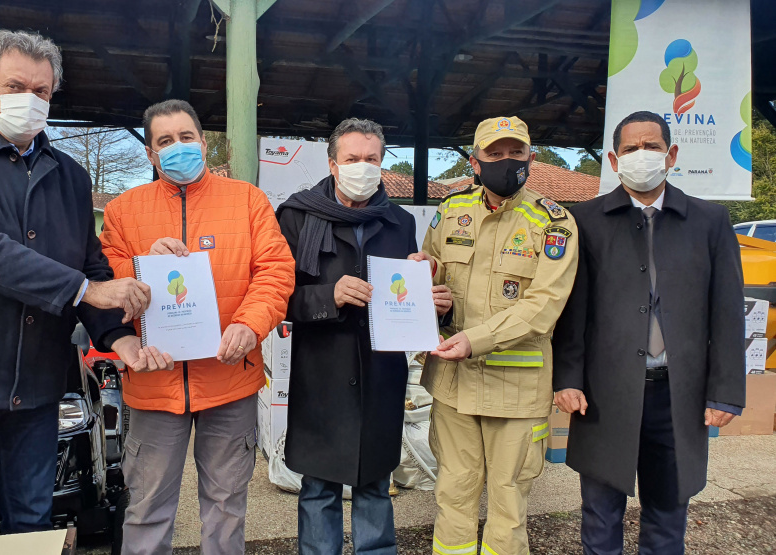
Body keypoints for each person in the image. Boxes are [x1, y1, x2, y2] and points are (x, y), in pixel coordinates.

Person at [0, 29, 155, 541]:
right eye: (16, 85)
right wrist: (86, 290)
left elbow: (92, 264)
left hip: (37, 387)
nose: (29, 100)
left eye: (41, 92)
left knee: (33, 528)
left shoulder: (70, 176)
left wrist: (118, 335)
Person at [100, 99, 295, 555]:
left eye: (186, 137)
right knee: (146, 507)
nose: (178, 147)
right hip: (153, 381)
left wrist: (250, 324)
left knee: (227, 508)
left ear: (203, 143)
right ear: (151, 154)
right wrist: (142, 261)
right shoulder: (124, 210)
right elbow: (105, 277)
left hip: (230, 377)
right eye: (165, 141)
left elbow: (275, 270)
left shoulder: (247, 199)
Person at [552, 111, 745, 555]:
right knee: (600, 517)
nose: (642, 156)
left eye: (652, 147)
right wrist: (567, 378)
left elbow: (727, 313)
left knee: (667, 517)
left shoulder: (709, 221)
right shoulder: (584, 221)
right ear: (614, 161)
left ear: (671, 154)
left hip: (679, 396)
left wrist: (726, 391)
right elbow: (570, 311)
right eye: (631, 149)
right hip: (603, 396)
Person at [275, 118, 453, 555]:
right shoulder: (296, 215)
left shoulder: (399, 221)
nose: (363, 167)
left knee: (375, 484)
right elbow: (277, 297)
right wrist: (328, 296)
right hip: (321, 374)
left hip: (380, 375)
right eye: (352, 159)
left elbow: (404, 300)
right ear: (333, 163)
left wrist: (428, 301)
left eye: (371, 159)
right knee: (318, 488)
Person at [411, 116, 579, 555]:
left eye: (516, 153)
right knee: (453, 494)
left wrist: (475, 340)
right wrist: (426, 281)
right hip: (453, 387)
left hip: (517, 393)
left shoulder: (554, 224)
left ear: (531, 158)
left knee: (508, 505)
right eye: (495, 154)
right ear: (475, 162)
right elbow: (432, 270)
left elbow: (543, 307)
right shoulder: (451, 210)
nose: (507, 162)